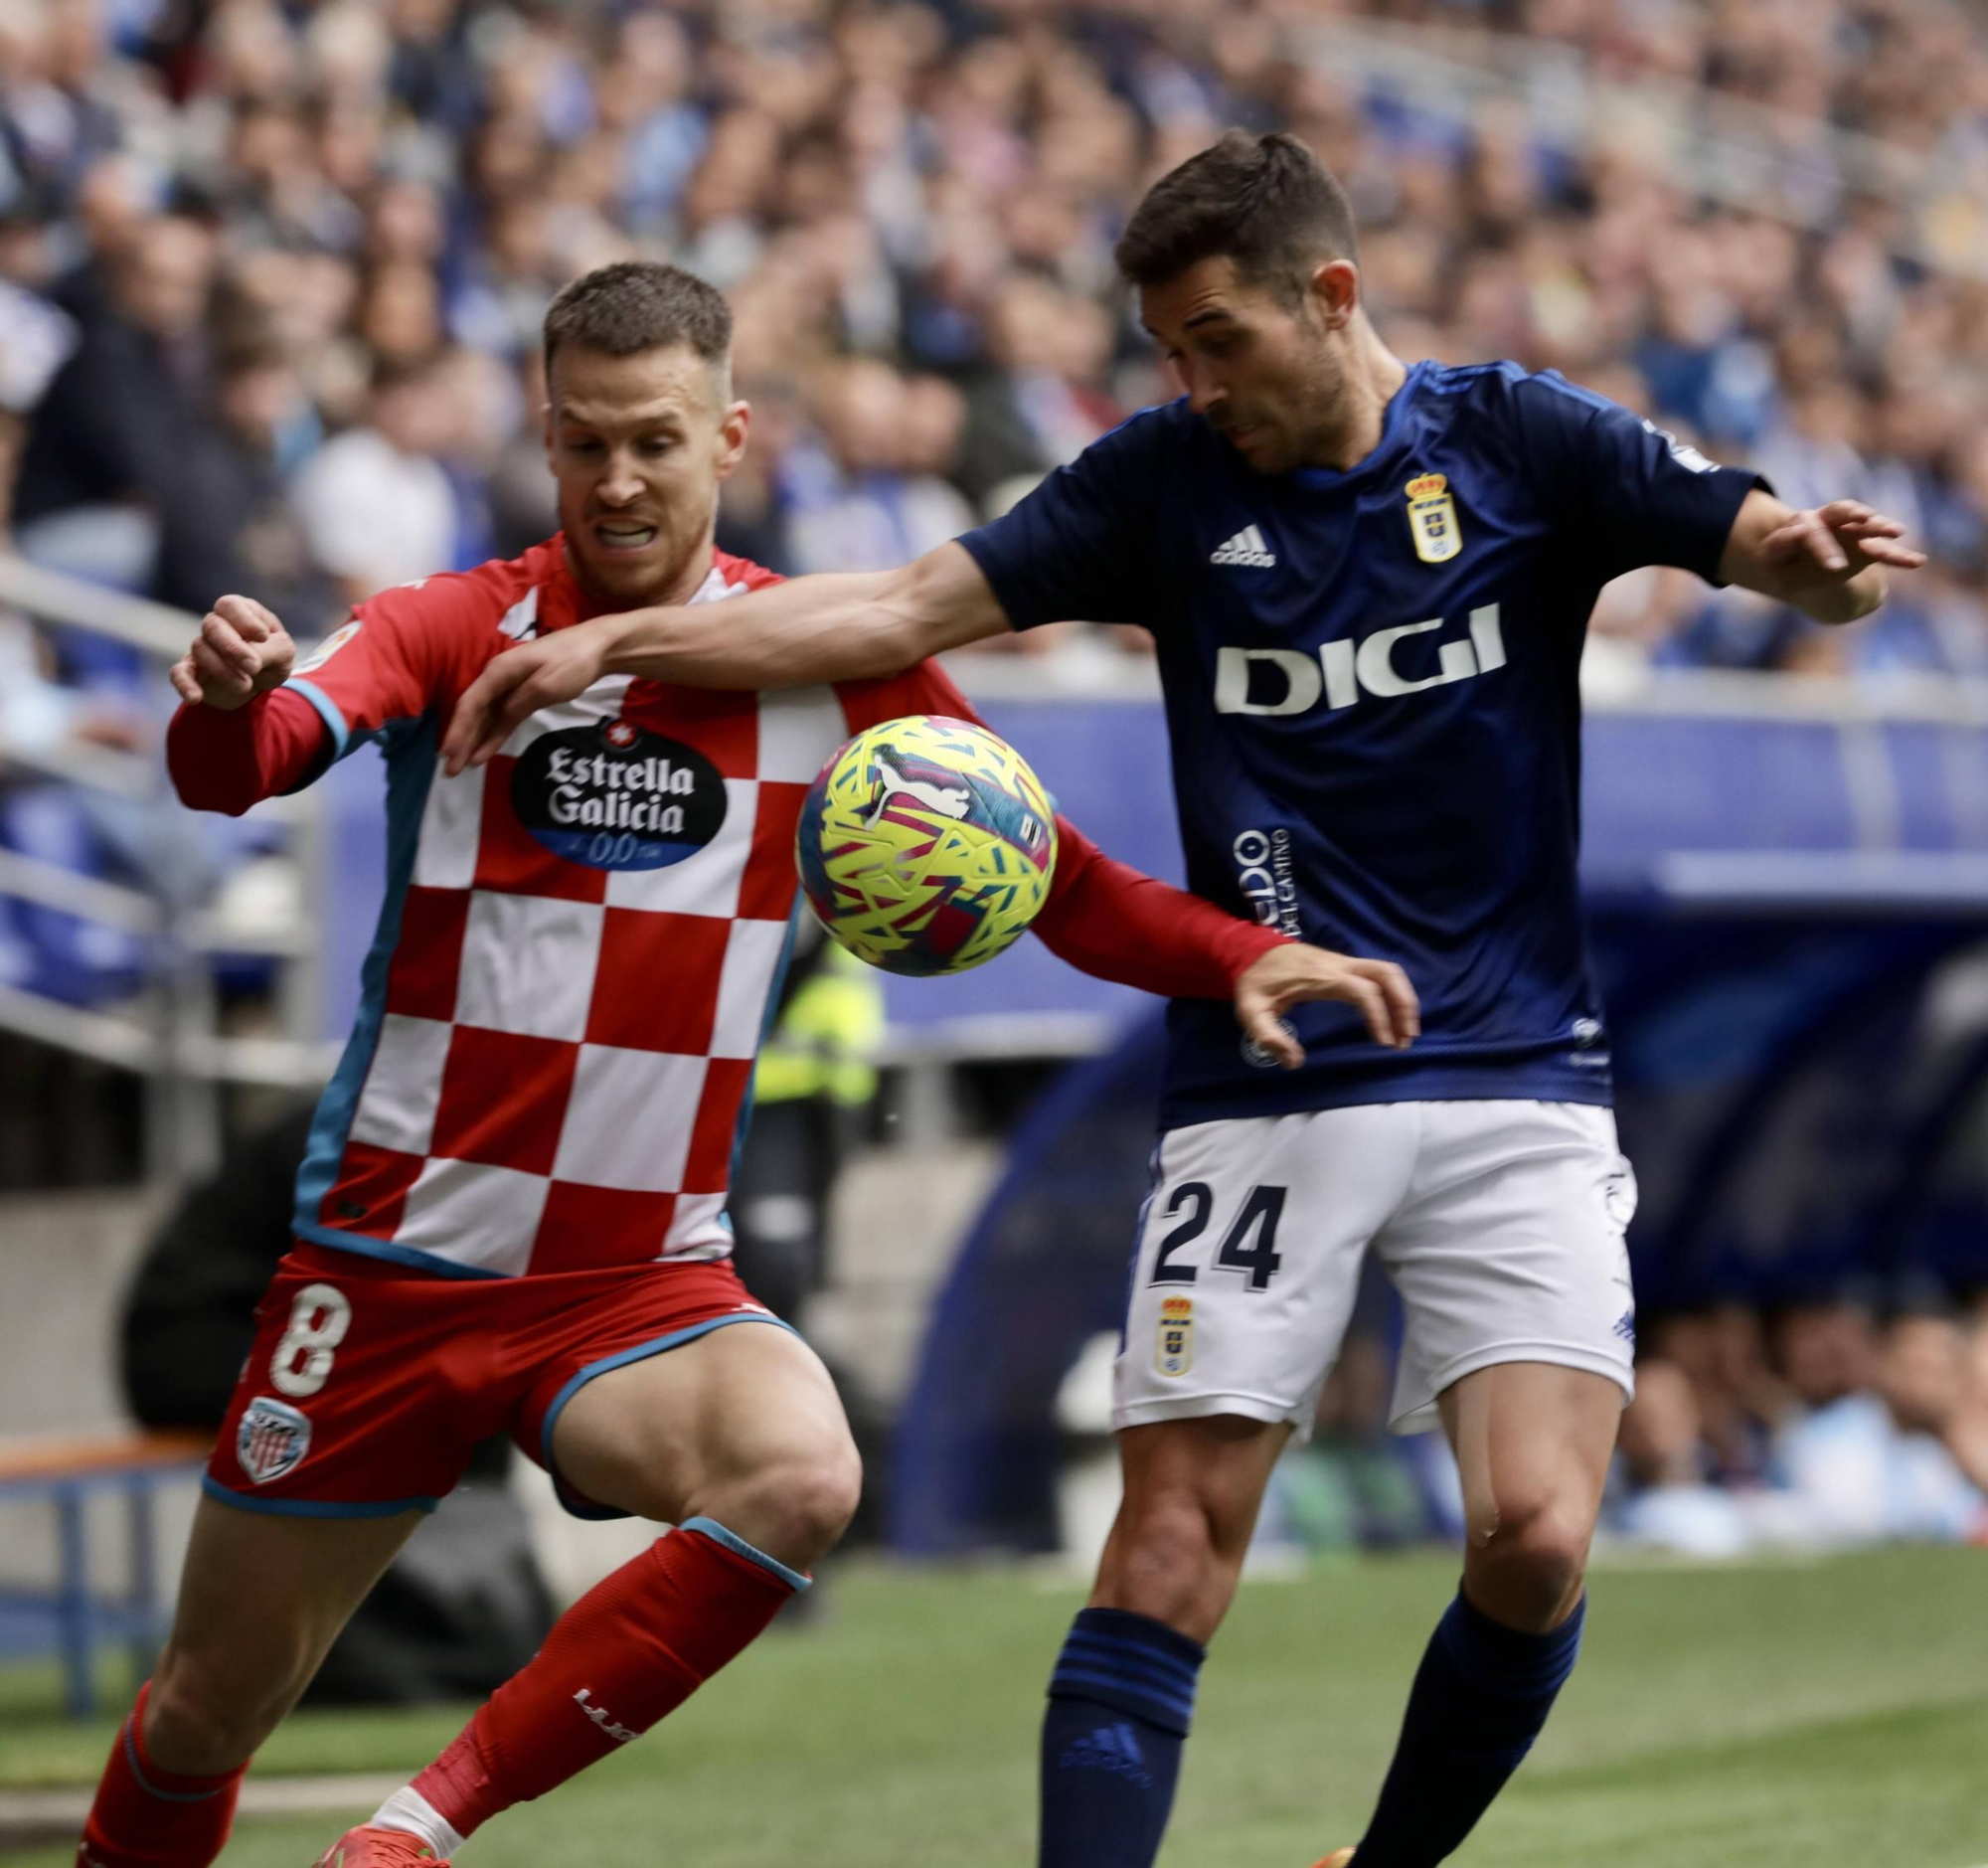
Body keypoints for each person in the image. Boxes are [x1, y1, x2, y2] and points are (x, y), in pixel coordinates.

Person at [443, 133, 1926, 1868]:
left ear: (1334, 296)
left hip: (1521, 1067)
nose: (1191, 381)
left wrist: (1826, 569)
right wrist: (622, 643)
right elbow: (903, 604)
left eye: (1217, 340)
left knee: (1532, 1539)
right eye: (1167, 349)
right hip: (1268, 1078)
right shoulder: (1160, 483)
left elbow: (1776, 546)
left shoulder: (1521, 438)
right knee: (1164, 1557)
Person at [77, 256, 1404, 1868]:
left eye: (655, 440)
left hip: (629, 1287)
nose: (618, 480)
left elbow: (1057, 878)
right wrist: (223, 703)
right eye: (583, 444)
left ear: (731, 438)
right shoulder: (453, 622)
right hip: (389, 1267)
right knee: (206, 1714)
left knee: (799, 1471)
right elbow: (255, 763)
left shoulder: (832, 661)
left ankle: (413, 1835)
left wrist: (1241, 952)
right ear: (544, 439)